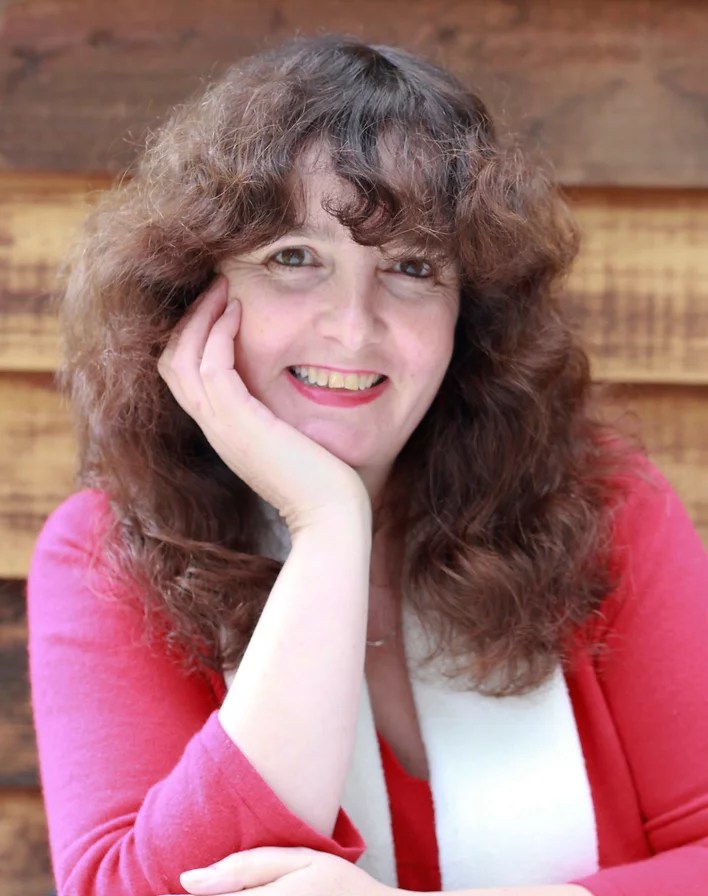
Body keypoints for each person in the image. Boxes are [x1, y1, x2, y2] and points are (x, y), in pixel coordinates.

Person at [27, 34, 708, 896]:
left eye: (413, 268)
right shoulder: (104, 552)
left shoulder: (606, 507)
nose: (353, 328)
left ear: (472, 315)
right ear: (194, 291)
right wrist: (329, 523)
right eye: (293, 259)